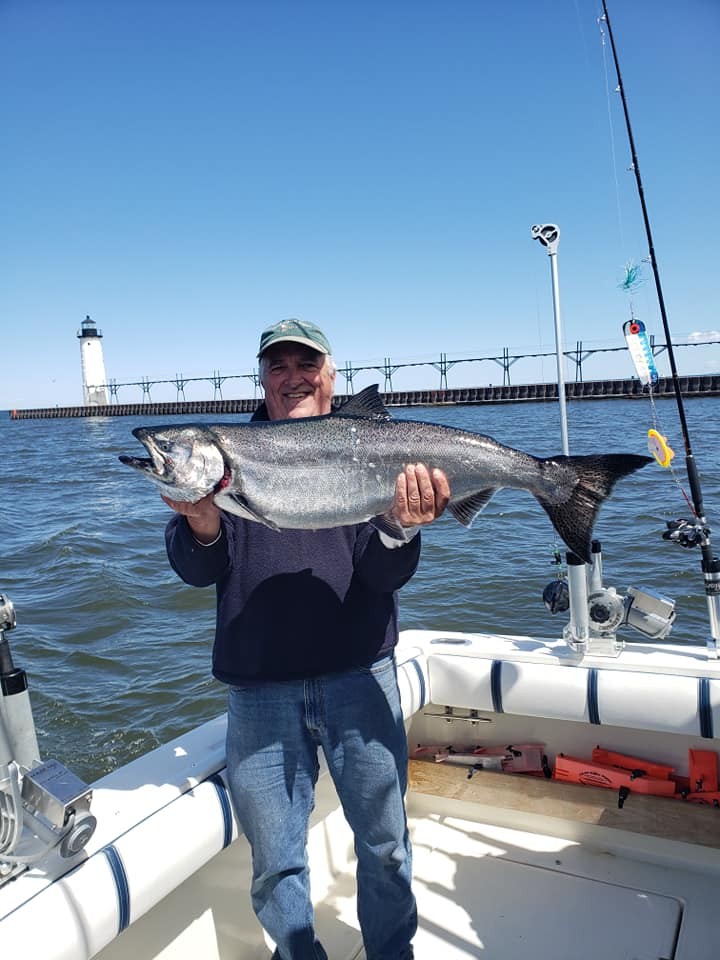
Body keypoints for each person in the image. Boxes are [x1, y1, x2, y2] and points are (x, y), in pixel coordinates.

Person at [163, 319, 450, 960]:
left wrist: (401, 526)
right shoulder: (228, 457)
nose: (292, 377)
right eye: (277, 366)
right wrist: (204, 521)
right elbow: (197, 571)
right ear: (261, 379)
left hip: (360, 675)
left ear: (330, 374)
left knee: (385, 846)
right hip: (259, 690)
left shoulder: (368, 446)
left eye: (306, 364)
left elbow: (380, 574)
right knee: (275, 862)